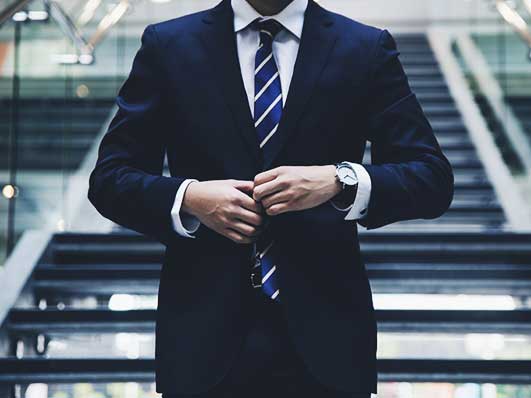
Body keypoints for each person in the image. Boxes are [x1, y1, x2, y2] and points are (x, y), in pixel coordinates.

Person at [88, 0, 454, 396]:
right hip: (201, 340)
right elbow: (109, 179)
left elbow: (431, 177)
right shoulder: (169, 44)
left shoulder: (364, 47)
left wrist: (339, 180)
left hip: (329, 343)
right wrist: (189, 197)